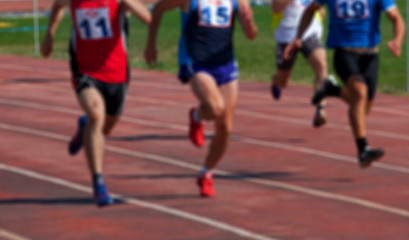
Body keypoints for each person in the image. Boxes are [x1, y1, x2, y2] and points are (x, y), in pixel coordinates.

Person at [41, 0, 151, 206]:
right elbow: (57, 6)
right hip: (85, 70)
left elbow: (146, 17)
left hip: (117, 73)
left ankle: (85, 129)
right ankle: (98, 182)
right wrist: (50, 34)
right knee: (96, 114)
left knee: (104, 129)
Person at [144, 0, 257, 197]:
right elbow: (159, 8)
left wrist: (249, 24)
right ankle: (198, 115)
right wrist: (151, 43)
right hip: (196, 61)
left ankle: (206, 173)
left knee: (226, 128)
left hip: (226, 63)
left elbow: (251, 35)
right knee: (214, 107)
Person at [284, 0, 405, 168]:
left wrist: (397, 40)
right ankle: (363, 149)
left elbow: (396, 18)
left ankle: (332, 89)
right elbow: (310, 10)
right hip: (344, 53)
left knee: (363, 108)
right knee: (360, 93)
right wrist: (298, 38)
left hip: (370, 55)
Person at [271, 0, 329, 127]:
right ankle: (276, 80)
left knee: (321, 65)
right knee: (283, 81)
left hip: (309, 33)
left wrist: (319, 13)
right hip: (286, 35)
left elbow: (321, 10)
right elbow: (276, 7)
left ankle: (320, 109)